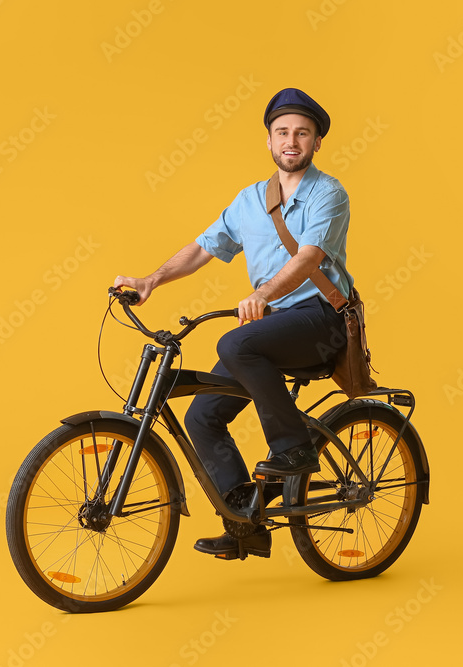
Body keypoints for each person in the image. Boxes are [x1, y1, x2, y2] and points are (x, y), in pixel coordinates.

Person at [112, 88, 352, 560]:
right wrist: (151, 279)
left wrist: (262, 294)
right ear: (268, 141)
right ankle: (246, 523)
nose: (291, 141)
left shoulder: (330, 194)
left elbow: (307, 259)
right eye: (282, 132)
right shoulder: (248, 201)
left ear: (316, 142)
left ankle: (294, 448)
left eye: (302, 133)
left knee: (235, 343)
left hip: (319, 322)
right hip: (272, 327)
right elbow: (204, 248)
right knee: (202, 415)